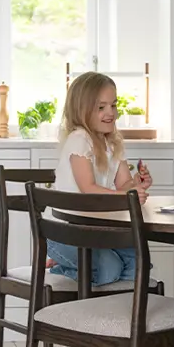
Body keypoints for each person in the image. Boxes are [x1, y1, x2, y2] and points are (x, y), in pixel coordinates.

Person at [47, 71, 153, 286]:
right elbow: (88, 188)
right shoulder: (79, 140)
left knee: (138, 261)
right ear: (82, 111)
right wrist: (125, 196)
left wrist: (136, 184)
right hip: (64, 232)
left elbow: (123, 185)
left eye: (113, 105)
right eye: (101, 107)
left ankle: (116, 314)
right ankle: (61, 268)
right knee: (110, 269)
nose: (110, 113)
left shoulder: (113, 143)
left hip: (97, 228)